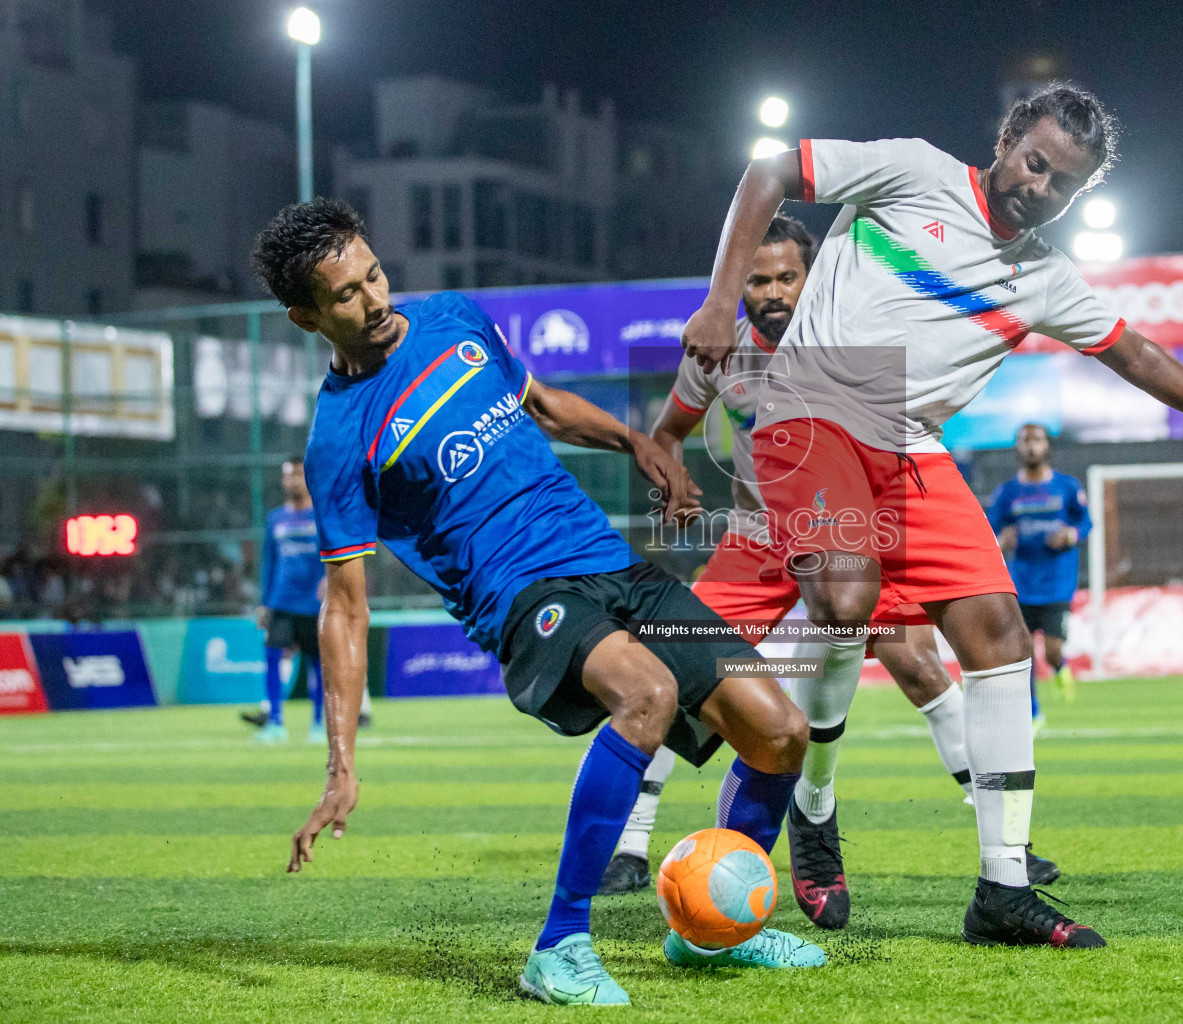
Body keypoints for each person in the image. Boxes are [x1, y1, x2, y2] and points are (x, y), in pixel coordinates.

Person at [682, 82, 1183, 949]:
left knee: (998, 635)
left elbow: (1135, 353)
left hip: (909, 445)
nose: (1038, 187)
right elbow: (769, 168)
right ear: (1004, 140)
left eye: (1062, 183)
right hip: (815, 413)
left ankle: (1001, 889)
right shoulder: (912, 172)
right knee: (845, 604)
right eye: (1034, 162)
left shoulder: (1041, 278)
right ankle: (812, 803)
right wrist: (719, 302)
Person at [253, 198, 828, 1007]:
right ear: (305, 316)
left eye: (374, 274)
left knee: (780, 733)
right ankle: (557, 946)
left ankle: (714, 928)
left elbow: (542, 402)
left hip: (608, 564)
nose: (375, 300)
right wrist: (340, 764)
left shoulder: (452, 318)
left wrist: (637, 441)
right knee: (647, 694)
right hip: (524, 598)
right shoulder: (338, 439)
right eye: (346, 294)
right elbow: (344, 606)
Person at [598, 216, 1058, 922]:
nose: (775, 292)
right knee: (675, 668)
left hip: (847, 530)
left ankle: (1000, 839)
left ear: (812, 278)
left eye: (788, 276)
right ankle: (630, 846)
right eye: (757, 279)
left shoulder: (853, 332)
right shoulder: (717, 351)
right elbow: (668, 430)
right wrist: (669, 473)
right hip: (757, 535)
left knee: (919, 668)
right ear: (734, 286)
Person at [243, 455, 374, 743]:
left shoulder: (324, 516)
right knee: (273, 657)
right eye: (288, 475)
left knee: (320, 664)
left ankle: (318, 725)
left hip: (316, 605)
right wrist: (264, 602)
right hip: (281, 602)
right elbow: (269, 562)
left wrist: (332, 579)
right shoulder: (275, 518)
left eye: (298, 475)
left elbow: (343, 554)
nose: (292, 481)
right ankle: (275, 723)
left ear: (308, 477)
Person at [988, 424, 1090, 730]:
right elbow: (991, 531)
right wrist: (1001, 541)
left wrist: (1071, 534)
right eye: (1024, 441)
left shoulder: (1067, 487)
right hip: (1021, 582)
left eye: (1036, 440)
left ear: (1047, 446)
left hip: (1057, 582)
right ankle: (1034, 713)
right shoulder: (1007, 492)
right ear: (1017, 448)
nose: (1031, 447)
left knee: (1053, 650)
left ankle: (1061, 667)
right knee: (1024, 650)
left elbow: (1085, 522)